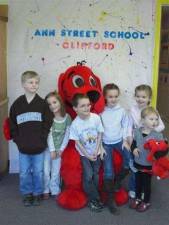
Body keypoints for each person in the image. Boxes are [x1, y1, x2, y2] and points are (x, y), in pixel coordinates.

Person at [9, 71, 53, 206]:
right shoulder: (17, 104)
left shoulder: (42, 104)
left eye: (36, 82)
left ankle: (37, 193)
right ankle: (27, 194)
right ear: (23, 84)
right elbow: (12, 124)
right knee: (24, 172)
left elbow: (47, 122)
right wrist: (18, 140)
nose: (34, 85)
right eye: (31, 82)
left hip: (39, 147)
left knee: (39, 172)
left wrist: (42, 139)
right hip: (23, 147)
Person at [128, 84, 165, 199]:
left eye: (144, 97)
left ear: (149, 98)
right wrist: (130, 141)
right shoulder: (132, 109)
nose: (140, 99)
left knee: (146, 169)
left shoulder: (151, 110)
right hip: (136, 141)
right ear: (135, 96)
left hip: (147, 145)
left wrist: (149, 128)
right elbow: (129, 127)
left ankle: (144, 190)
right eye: (138, 96)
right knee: (134, 168)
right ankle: (134, 188)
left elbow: (160, 127)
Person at [69, 93, 104, 212]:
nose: (87, 108)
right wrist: (88, 154)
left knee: (96, 174)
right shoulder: (75, 124)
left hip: (96, 152)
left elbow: (100, 134)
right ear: (75, 108)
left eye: (88, 105)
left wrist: (97, 150)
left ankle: (93, 196)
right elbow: (77, 142)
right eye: (83, 106)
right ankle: (94, 198)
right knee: (88, 176)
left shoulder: (96, 118)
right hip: (85, 155)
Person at [100, 83, 130, 214]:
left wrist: (125, 140)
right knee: (108, 171)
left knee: (129, 162)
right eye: (110, 96)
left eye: (116, 96)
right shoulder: (101, 111)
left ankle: (117, 181)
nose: (113, 99)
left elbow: (126, 126)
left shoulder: (122, 111)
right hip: (105, 143)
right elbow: (97, 129)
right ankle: (110, 201)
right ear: (105, 97)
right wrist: (100, 145)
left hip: (119, 141)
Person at [129, 106, 164, 212]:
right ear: (143, 120)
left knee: (146, 185)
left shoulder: (158, 135)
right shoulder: (137, 131)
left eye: (156, 119)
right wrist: (133, 148)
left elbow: (162, 150)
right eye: (151, 119)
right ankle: (138, 198)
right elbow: (133, 143)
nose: (155, 122)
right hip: (138, 162)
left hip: (149, 165)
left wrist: (156, 155)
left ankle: (146, 201)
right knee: (138, 183)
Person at [43, 91, 71, 199]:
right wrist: (52, 150)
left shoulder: (67, 117)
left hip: (60, 150)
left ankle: (54, 189)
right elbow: (49, 136)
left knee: (56, 171)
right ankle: (45, 189)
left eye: (54, 102)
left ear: (60, 102)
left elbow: (67, 135)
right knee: (46, 170)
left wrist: (61, 149)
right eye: (49, 104)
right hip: (48, 149)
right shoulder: (49, 117)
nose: (52, 106)